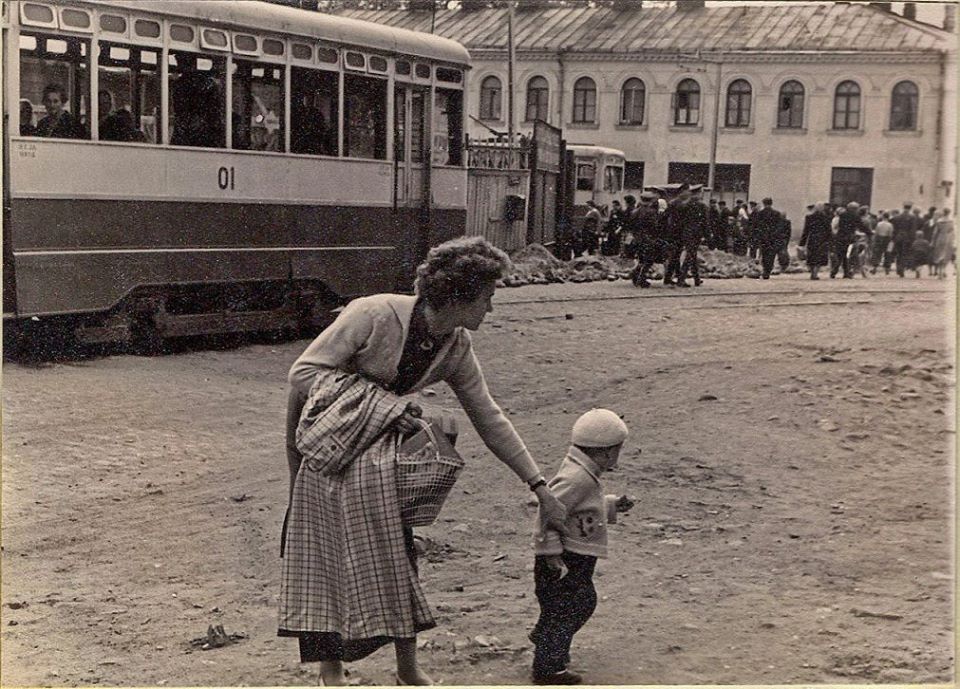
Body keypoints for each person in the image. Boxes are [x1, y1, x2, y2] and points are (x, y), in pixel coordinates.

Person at [279, 237, 569, 686]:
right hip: (325, 443)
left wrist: (540, 487)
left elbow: (489, 417)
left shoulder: (455, 345)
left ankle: (407, 670)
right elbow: (303, 374)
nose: (490, 309)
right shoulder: (374, 313)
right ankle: (330, 672)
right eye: (487, 298)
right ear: (460, 295)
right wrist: (384, 405)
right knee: (324, 553)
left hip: (376, 456)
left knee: (397, 551)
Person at [529, 409, 632, 685]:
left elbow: (580, 510)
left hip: (573, 556)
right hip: (562, 559)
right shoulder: (578, 478)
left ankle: (546, 639)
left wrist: (610, 505)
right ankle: (548, 668)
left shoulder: (584, 471)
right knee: (573, 606)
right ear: (608, 452)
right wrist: (550, 553)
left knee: (567, 607)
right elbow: (548, 512)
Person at [629, 191, 664, 288]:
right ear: (651, 200)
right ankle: (641, 279)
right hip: (648, 239)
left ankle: (636, 277)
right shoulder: (651, 212)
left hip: (637, 238)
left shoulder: (634, 212)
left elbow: (631, 225)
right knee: (648, 260)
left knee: (641, 259)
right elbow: (654, 226)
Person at [677, 185, 709, 287]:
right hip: (696, 234)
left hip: (685, 232)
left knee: (692, 255)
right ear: (699, 193)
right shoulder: (702, 206)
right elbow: (705, 222)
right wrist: (708, 236)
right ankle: (681, 279)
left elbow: (680, 220)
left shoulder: (684, 204)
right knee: (690, 255)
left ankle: (696, 278)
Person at [751, 197, 784, 279]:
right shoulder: (777, 213)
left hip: (763, 237)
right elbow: (780, 227)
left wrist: (759, 235)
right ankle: (768, 270)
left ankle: (765, 270)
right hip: (773, 238)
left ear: (764, 203)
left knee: (764, 253)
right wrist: (775, 234)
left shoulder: (760, 213)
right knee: (771, 254)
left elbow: (756, 226)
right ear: (771, 203)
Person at [799, 203, 832, 280]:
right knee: (820, 257)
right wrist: (830, 240)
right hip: (822, 239)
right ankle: (815, 272)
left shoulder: (809, 217)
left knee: (812, 256)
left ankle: (812, 272)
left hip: (812, 239)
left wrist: (802, 243)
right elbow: (828, 230)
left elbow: (806, 230)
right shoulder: (826, 217)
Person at [831, 202, 861, 279]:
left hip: (840, 237)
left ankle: (836, 271)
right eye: (857, 209)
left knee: (841, 255)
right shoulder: (855, 216)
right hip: (849, 238)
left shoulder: (842, 215)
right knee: (848, 255)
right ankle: (845, 272)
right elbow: (861, 225)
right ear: (854, 209)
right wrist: (869, 233)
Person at [890, 201, 919, 278]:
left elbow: (894, 229)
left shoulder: (897, 217)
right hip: (907, 238)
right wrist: (912, 239)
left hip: (898, 237)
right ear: (910, 208)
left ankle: (898, 268)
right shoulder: (912, 217)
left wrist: (894, 238)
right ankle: (902, 269)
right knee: (904, 253)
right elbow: (913, 230)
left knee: (898, 253)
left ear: (904, 207)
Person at [931, 209, 955, 280]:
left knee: (939, 254)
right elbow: (952, 231)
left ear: (943, 213)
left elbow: (935, 233)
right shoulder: (951, 221)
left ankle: (939, 272)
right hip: (948, 239)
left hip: (940, 238)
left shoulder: (939, 221)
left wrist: (932, 241)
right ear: (949, 213)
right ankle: (943, 270)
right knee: (946, 254)